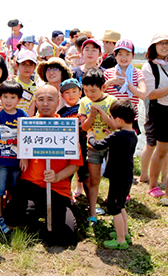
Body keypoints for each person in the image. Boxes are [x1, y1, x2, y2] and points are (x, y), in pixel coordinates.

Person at [4, 85, 83, 246]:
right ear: (36, 102)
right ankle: (36, 216)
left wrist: (57, 177)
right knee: (12, 220)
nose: (45, 103)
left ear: (58, 101)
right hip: (30, 185)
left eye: (50, 99)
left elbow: (75, 164)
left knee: (65, 237)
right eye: (41, 99)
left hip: (57, 188)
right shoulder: (27, 125)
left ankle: (55, 215)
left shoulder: (67, 127)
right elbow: (20, 148)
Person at [141, 33, 168, 199]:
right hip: (162, 110)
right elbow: (151, 94)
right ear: (153, 46)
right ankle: (153, 185)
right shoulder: (149, 67)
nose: (165, 46)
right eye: (161, 43)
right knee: (161, 149)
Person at [88, 99, 138, 249]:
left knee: (114, 208)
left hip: (117, 177)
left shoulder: (117, 136)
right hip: (127, 176)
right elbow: (120, 143)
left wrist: (90, 135)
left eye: (112, 118)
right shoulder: (132, 134)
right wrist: (112, 134)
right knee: (121, 205)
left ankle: (120, 240)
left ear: (119, 120)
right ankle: (125, 233)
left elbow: (96, 145)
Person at [0, 81, 29, 234]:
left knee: (15, 189)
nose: (8, 101)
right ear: (0, 97)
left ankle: (13, 215)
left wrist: (24, 157)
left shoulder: (22, 115)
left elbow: (26, 138)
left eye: (12, 97)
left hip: (17, 162)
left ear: (19, 100)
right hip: (1, 161)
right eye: (5, 97)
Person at [79, 68, 118, 225]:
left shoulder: (112, 101)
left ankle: (115, 208)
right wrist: (92, 116)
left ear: (103, 87)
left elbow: (116, 125)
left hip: (111, 146)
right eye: (86, 90)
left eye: (93, 91)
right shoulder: (84, 102)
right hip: (93, 146)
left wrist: (102, 114)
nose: (89, 94)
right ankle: (93, 212)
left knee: (114, 179)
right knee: (94, 180)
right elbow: (84, 127)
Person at [103, 39, 147, 134]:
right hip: (112, 119)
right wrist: (111, 81)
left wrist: (127, 83)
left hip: (130, 120)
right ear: (115, 55)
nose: (124, 58)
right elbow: (100, 93)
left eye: (127, 54)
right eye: (120, 54)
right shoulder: (108, 73)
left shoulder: (138, 73)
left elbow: (143, 95)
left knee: (129, 148)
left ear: (133, 55)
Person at [57, 78, 86, 199]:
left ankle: (82, 189)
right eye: (67, 92)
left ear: (80, 92)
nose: (71, 95)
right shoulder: (61, 112)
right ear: (62, 96)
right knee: (67, 172)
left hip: (84, 144)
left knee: (84, 172)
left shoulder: (85, 107)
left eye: (74, 91)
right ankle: (67, 192)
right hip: (68, 147)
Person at [11, 49, 40, 116]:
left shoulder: (37, 89)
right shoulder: (10, 84)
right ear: (17, 65)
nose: (27, 68)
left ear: (35, 67)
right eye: (24, 64)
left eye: (30, 65)